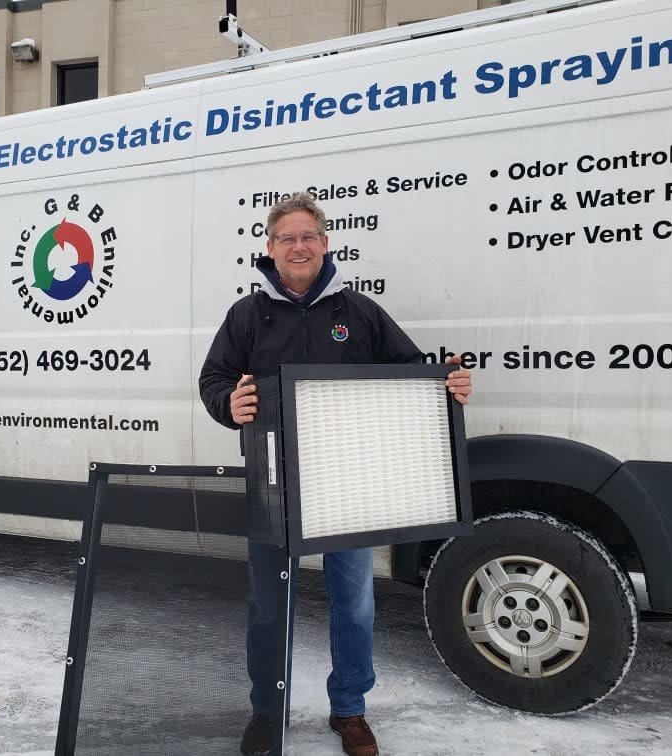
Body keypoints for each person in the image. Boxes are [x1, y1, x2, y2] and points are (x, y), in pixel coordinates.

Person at [199, 192, 473, 756]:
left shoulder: (360, 312)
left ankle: (349, 709)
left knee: (354, 604)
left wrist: (446, 385)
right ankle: (266, 710)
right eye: (287, 238)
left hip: (350, 486)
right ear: (270, 248)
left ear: (325, 244)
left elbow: (410, 373)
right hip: (273, 487)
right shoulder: (247, 315)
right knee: (268, 606)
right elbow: (214, 380)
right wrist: (230, 402)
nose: (298, 247)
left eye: (308, 236)